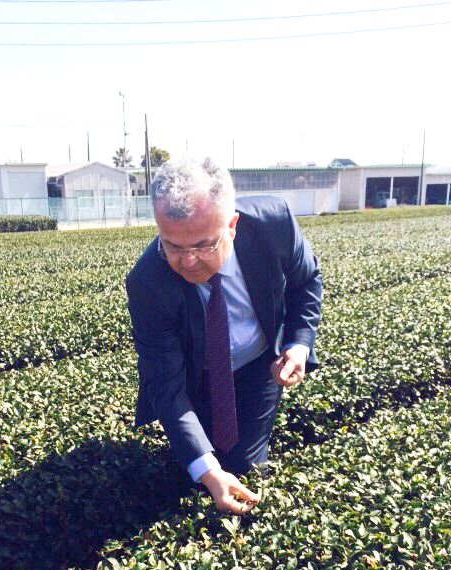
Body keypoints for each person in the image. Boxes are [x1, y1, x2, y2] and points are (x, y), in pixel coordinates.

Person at [126, 156, 322, 515]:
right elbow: (165, 382)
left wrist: (297, 345)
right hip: (196, 374)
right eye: (173, 246)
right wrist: (208, 469)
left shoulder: (273, 223)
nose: (188, 261)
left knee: (244, 469)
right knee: (196, 471)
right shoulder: (147, 281)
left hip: (258, 362)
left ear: (231, 226)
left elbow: (305, 281)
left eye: (203, 245)